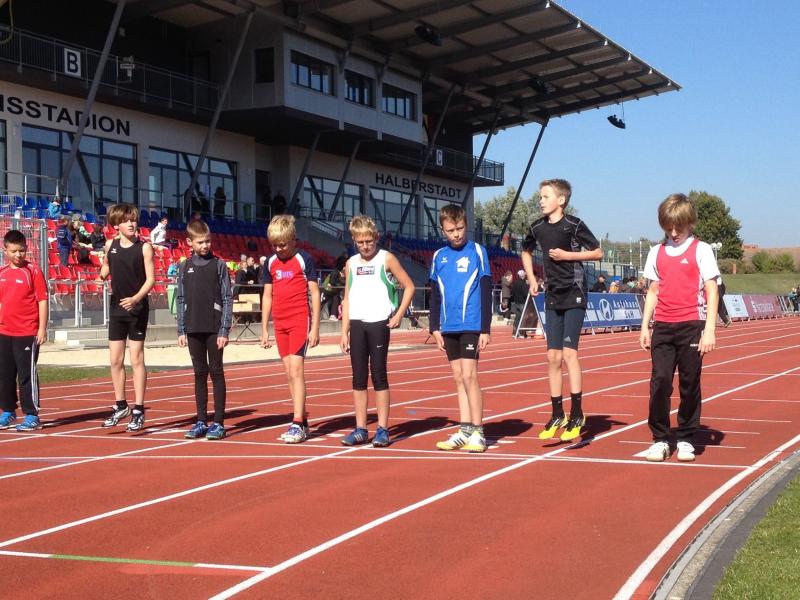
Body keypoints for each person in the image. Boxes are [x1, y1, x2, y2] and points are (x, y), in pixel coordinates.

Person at [639, 193, 720, 463]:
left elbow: (711, 289)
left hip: (691, 325)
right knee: (660, 382)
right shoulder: (656, 252)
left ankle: (685, 436)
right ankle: (661, 438)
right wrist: (645, 326)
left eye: (679, 227)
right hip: (663, 326)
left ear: (690, 223)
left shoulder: (702, 250)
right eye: (668, 227)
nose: (674, 233)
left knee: (689, 382)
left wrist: (709, 330)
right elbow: (653, 290)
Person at [521, 179, 602, 442]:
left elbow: (597, 252)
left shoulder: (574, 225)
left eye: (545, 196)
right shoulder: (537, 227)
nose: (541, 201)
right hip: (553, 294)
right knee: (552, 357)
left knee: (569, 354)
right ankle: (557, 413)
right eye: (540, 196)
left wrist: (569, 256)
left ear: (561, 200)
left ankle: (577, 413)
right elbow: (525, 251)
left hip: (575, 292)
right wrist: (532, 280)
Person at [339, 216, 415, 447]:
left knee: (379, 374)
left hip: (379, 323)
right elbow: (347, 297)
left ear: (376, 238)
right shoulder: (351, 263)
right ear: (354, 241)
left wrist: (399, 314)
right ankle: (361, 428)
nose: (365, 246)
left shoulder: (386, 258)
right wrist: (344, 331)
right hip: (357, 324)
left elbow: (409, 286)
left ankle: (382, 429)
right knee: (358, 377)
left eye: (369, 241)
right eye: (360, 242)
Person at [429, 204, 492, 453]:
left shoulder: (477, 251)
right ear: (442, 230)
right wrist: (434, 327)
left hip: (471, 323)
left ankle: (478, 431)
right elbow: (435, 294)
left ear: (466, 225)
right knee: (458, 378)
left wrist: (485, 328)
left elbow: (486, 290)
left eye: (460, 228)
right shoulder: (439, 256)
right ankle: (465, 430)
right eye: (450, 230)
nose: (456, 234)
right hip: (448, 325)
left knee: (469, 376)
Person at [259, 215, 321, 443]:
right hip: (280, 322)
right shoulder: (270, 262)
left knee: (296, 371)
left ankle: (296, 422)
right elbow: (267, 295)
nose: (278, 249)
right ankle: (302, 419)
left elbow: (315, 293)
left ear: (294, 240)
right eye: (274, 245)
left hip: (299, 320)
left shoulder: (304, 259)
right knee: (288, 373)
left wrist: (315, 327)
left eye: (283, 245)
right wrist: (264, 329)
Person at [99, 203, 156, 432]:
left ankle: (139, 409)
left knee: (136, 359)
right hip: (117, 308)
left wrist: (135, 298)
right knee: (115, 359)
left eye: (133, 220)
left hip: (137, 308)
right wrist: (101, 275)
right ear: (116, 225)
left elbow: (151, 280)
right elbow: (106, 266)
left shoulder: (144, 248)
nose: (132, 224)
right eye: (126, 221)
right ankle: (121, 405)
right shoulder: (110, 245)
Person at [177, 219, 233, 440]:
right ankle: (201, 420)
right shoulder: (184, 267)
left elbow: (227, 298)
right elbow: (181, 299)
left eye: (208, 241)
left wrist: (224, 330)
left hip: (214, 328)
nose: (205, 245)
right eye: (200, 242)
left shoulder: (219, 265)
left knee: (216, 372)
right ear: (189, 242)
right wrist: (181, 329)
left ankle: (218, 422)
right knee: (199, 373)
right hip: (193, 327)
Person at [0, 230, 49, 431]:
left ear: (26, 249)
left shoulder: (33, 271)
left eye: (21, 250)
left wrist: (42, 328)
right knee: (5, 374)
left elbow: (42, 300)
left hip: (27, 332)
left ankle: (31, 414)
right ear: (5, 250)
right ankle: (8, 411)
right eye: (13, 251)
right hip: (4, 332)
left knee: (26, 374)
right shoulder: (2, 273)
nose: (18, 255)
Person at [510, 269, 531, 337]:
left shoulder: (514, 283)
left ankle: (514, 332)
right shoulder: (523, 283)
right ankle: (522, 333)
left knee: (517, 318)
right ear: (523, 276)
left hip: (516, 303)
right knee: (523, 318)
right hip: (522, 303)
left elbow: (512, 292)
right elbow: (525, 294)